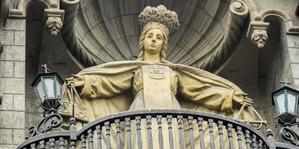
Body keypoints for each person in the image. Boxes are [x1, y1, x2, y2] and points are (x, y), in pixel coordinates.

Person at [62, 5, 262, 125]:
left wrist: (229, 97)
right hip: (139, 111)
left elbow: (200, 90)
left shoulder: (174, 72)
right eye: (150, 36)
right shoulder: (135, 69)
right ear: (142, 40)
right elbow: (109, 81)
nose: (154, 40)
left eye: (159, 37)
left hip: (172, 114)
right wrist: (85, 83)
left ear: (164, 44)